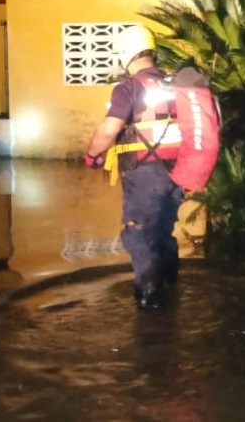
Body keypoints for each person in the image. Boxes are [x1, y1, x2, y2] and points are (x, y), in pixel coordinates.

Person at [84, 24, 184, 309]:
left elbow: (108, 131)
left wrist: (92, 155)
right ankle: (171, 292)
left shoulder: (130, 87)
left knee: (139, 234)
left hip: (146, 175)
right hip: (176, 172)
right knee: (162, 232)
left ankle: (149, 304)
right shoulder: (174, 84)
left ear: (125, 55)